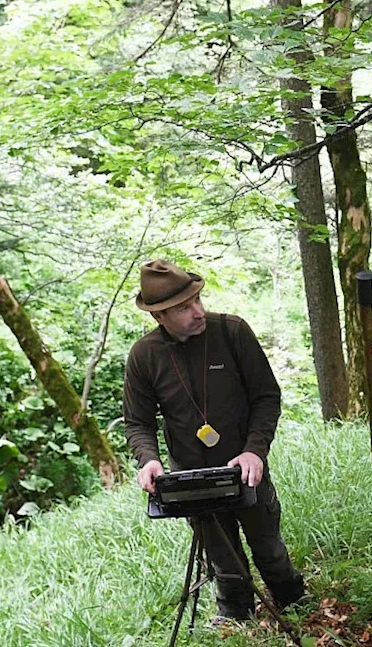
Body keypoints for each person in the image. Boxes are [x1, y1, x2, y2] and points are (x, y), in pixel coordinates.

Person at [123, 259, 305, 621]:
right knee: (222, 556)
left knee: (268, 546)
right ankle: (236, 616)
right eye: (183, 308)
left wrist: (255, 451)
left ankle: (293, 603)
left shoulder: (232, 332)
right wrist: (149, 460)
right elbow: (137, 422)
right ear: (159, 316)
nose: (197, 312)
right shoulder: (144, 356)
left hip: (245, 469)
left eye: (198, 300)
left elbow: (266, 397)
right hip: (191, 478)